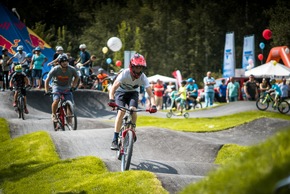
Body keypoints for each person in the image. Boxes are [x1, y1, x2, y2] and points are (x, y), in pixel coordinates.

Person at [107, 53, 157, 150]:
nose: (139, 70)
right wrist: (111, 99)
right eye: (137, 67)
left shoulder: (143, 77)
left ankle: (133, 130)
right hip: (120, 93)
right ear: (131, 66)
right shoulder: (124, 74)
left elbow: (151, 94)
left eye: (141, 67)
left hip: (133, 93)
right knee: (121, 111)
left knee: (133, 109)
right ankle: (115, 139)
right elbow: (113, 88)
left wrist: (153, 105)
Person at [44, 55, 80, 123]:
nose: (65, 63)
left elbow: (77, 77)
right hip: (57, 87)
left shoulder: (71, 69)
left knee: (70, 104)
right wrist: (47, 90)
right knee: (56, 100)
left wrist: (73, 86)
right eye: (63, 62)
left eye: (66, 61)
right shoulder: (55, 69)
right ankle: (53, 115)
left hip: (67, 88)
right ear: (59, 63)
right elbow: (47, 80)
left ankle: (70, 121)